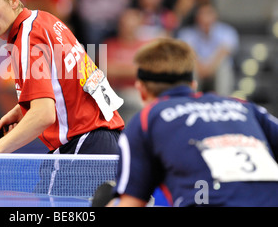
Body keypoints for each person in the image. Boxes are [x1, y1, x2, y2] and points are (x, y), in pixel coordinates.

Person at [0, 0, 125, 190]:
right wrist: (22, 108)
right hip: (108, 141)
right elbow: (67, 82)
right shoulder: (45, 21)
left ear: (13, 0)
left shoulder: (26, 40)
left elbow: (44, 114)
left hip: (81, 147)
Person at [109, 38, 278, 207]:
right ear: (193, 84)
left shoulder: (147, 119)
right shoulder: (245, 108)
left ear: (141, 90)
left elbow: (131, 203)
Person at [177, 4, 239, 96]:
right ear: (196, 17)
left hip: (216, 70)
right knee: (189, 64)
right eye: (202, 14)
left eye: (209, 13)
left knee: (224, 63)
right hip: (198, 70)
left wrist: (208, 69)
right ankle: (190, 100)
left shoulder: (227, 31)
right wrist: (201, 68)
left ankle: (223, 100)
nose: (206, 18)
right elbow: (190, 53)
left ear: (216, 15)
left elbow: (223, 53)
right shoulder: (187, 33)